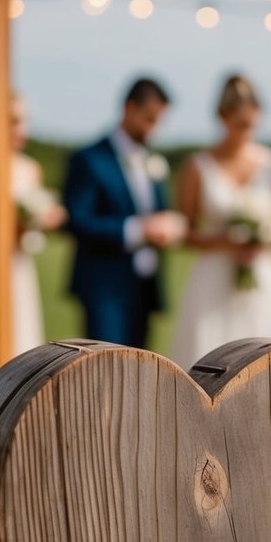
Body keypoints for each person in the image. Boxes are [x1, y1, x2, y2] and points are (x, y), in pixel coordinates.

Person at [170, 74, 271, 369]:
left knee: (265, 357)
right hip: (213, 277)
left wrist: (264, 237)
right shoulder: (197, 166)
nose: (244, 132)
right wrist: (226, 241)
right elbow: (184, 232)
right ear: (222, 118)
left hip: (261, 274)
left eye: (250, 124)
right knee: (208, 356)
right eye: (238, 124)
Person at [62, 77, 183, 348]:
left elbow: (159, 210)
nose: (154, 129)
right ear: (129, 108)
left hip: (146, 286)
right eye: (149, 118)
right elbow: (77, 222)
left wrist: (169, 226)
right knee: (106, 373)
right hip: (104, 287)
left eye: (159, 121)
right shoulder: (89, 159)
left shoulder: (152, 160)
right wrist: (139, 229)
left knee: (140, 375)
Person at [10, 93, 66, 355]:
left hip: (19, 263)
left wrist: (44, 219)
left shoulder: (30, 168)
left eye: (24, 121)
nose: (21, 129)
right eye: (13, 121)